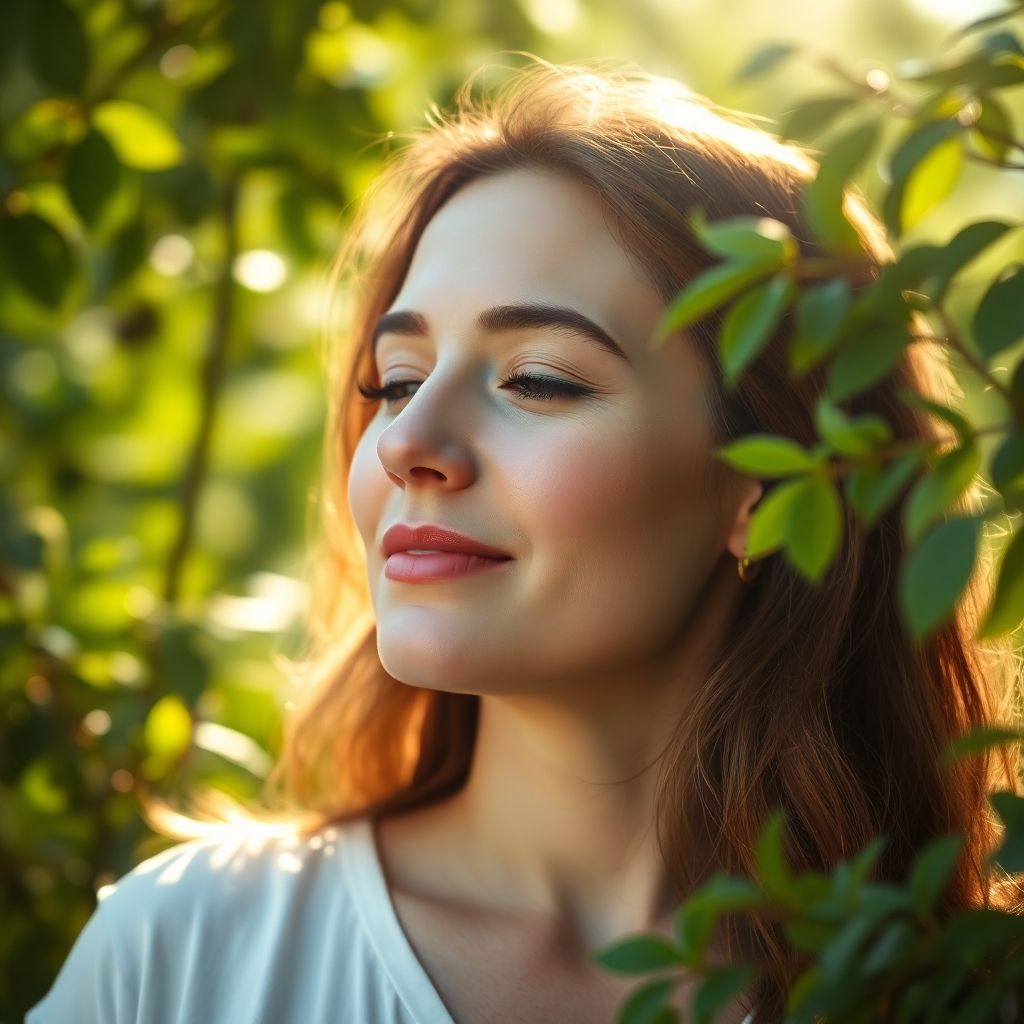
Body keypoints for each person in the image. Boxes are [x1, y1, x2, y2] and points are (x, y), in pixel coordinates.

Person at [26, 54, 1022, 1024]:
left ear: (771, 485)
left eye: (538, 378)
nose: (408, 440)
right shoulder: (188, 957)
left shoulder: (955, 988)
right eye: (397, 379)